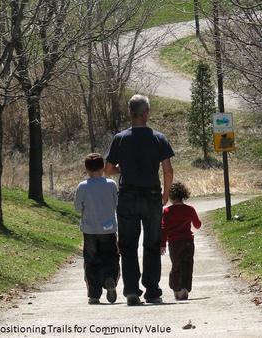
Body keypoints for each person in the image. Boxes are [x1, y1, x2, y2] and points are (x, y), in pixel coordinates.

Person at [104, 94, 174, 306]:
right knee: (152, 244)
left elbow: (108, 170)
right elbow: (168, 170)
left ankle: (132, 291)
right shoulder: (158, 138)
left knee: (128, 245)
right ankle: (152, 291)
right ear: (147, 113)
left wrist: (122, 168)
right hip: (151, 195)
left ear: (130, 113)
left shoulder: (120, 138)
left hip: (127, 196)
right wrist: (166, 193)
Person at [74, 153, 120, 305]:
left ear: (86, 169)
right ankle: (110, 278)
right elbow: (116, 204)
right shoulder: (111, 184)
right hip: (108, 229)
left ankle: (94, 294)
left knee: (92, 261)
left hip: (90, 230)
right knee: (111, 257)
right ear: (103, 167)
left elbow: (76, 207)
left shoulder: (82, 186)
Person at [161, 182, 201, 301]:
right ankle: (185, 288)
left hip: (174, 243)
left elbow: (164, 229)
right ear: (184, 195)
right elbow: (197, 225)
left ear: (171, 197)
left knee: (176, 265)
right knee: (188, 265)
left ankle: (176, 287)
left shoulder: (167, 211)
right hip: (188, 241)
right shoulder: (190, 209)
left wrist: (162, 244)